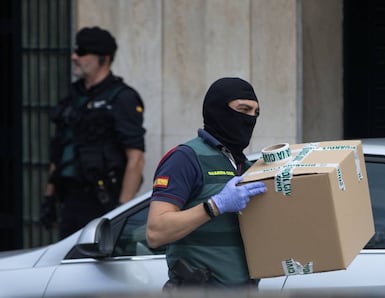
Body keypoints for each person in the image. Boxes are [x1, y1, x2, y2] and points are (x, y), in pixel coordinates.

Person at [146, 77, 267, 289]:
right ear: (217, 109)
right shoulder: (185, 158)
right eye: (243, 109)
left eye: (255, 113)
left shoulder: (245, 166)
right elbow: (156, 232)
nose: (250, 119)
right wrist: (214, 206)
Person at [40, 26, 146, 239]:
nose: (74, 57)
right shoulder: (73, 96)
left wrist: (120, 212)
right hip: (70, 199)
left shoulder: (122, 98)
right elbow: (59, 147)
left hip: (103, 201)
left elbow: (136, 159)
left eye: (81, 53)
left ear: (103, 58)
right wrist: (49, 198)